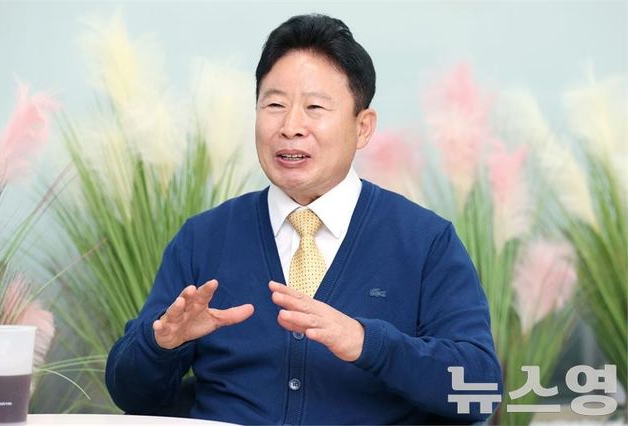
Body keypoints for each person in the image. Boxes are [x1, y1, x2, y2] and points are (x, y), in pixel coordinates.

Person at [106, 14, 503, 424]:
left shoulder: (425, 242)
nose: (290, 126)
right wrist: (160, 345)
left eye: (314, 107)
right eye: (274, 105)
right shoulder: (204, 238)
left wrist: (368, 343)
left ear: (363, 127)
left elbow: (480, 392)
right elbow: (129, 393)